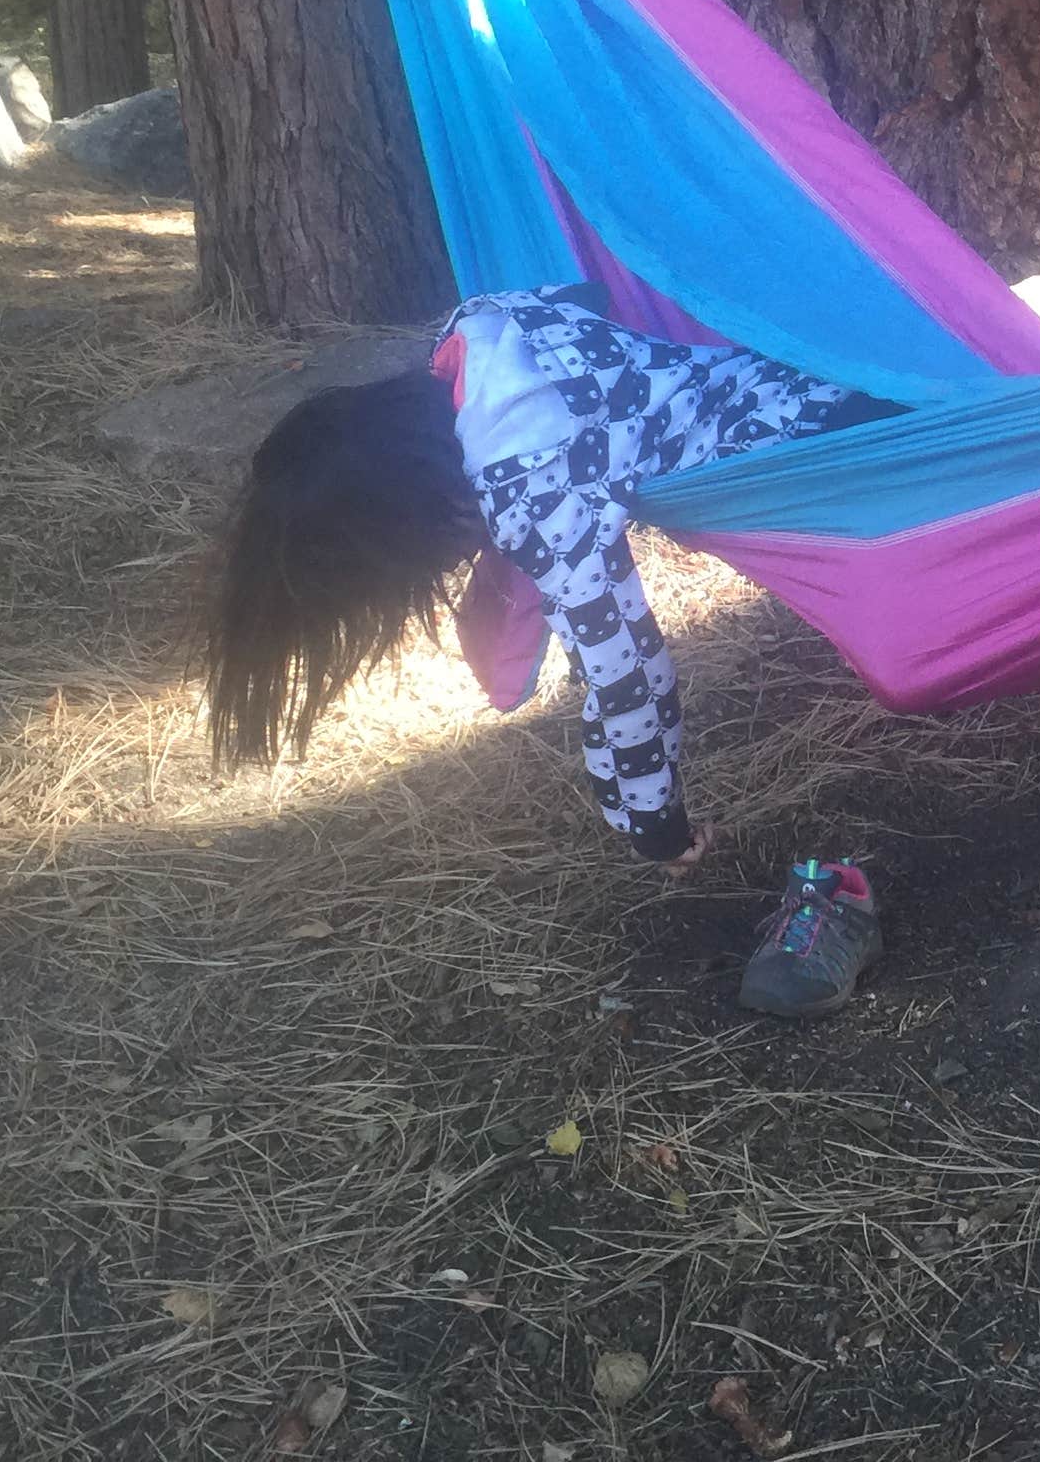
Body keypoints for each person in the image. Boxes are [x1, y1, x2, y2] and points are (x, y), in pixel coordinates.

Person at [206, 282, 896, 1018]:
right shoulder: (480, 329)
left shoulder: (529, 494)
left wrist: (655, 827)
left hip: (840, 448)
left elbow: (626, 673)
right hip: (817, 371)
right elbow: (585, 291)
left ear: (424, 525)